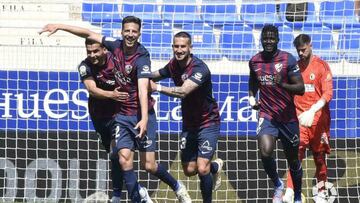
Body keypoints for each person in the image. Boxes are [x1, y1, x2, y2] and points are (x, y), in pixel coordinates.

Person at [39, 16, 191, 203]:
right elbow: (87, 33)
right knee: (122, 159)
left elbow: (143, 89)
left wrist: (143, 118)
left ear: (139, 34)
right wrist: (58, 25)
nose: (130, 34)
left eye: (134, 31)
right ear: (121, 32)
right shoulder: (114, 45)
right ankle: (134, 198)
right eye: (127, 30)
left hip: (142, 115)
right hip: (121, 115)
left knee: (149, 166)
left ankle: (177, 186)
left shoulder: (142, 57)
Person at [150, 31, 224, 203]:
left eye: (183, 46)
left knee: (202, 168)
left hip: (208, 123)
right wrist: (141, 74)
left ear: (191, 48)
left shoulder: (200, 68)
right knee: (189, 170)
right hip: (189, 125)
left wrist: (157, 88)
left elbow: (183, 91)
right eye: (176, 46)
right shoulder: (174, 65)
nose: (179, 50)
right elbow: (157, 74)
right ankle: (216, 167)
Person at [77, 38, 152, 202]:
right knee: (114, 156)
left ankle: (117, 196)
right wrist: (113, 94)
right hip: (99, 117)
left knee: (118, 155)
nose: (92, 55)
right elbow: (92, 89)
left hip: (118, 115)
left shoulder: (116, 60)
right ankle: (138, 190)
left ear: (104, 50)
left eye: (95, 51)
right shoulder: (84, 66)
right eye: (89, 52)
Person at [248, 25, 305, 203]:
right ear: (261, 39)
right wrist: (251, 99)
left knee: (293, 161)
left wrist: (283, 85)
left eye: (272, 38)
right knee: (265, 152)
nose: (268, 41)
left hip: (288, 118)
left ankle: (296, 196)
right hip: (267, 115)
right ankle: (278, 184)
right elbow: (253, 83)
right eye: (265, 38)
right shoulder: (255, 61)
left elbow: (301, 88)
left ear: (278, 39)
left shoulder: (287, 59)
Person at [282, 34, 333, 203]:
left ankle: (321, 192)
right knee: (296, 155)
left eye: (303, 50)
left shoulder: (321, 67)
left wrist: (313, 110)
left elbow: (328, 93)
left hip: (319, 120)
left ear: (310, 46)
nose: (301, 53)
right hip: (300, 119)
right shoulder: (295, 68)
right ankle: (290, 191)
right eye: (298, 51)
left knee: (319, 158)